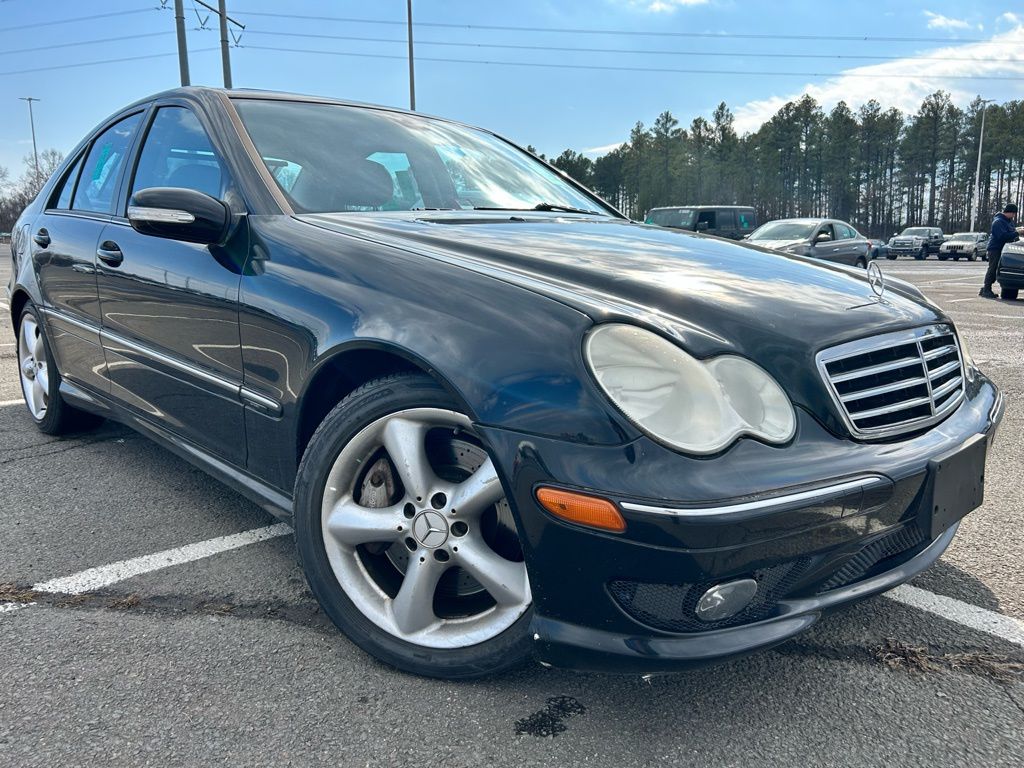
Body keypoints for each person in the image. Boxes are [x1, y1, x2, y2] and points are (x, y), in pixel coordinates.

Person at [980, 203, 1024, 299]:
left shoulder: (1008, 222)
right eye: (1013, 213)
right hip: (995, 248)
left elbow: (1010, 231)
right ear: (1010, 212)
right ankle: (986, 289)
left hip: (1003, 249)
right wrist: (1017, 232)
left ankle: (985, 289)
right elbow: (1002, 236)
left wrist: (1017, 230)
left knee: (995, 269)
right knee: (992, 268)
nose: (1014, 216)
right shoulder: (998, 222)